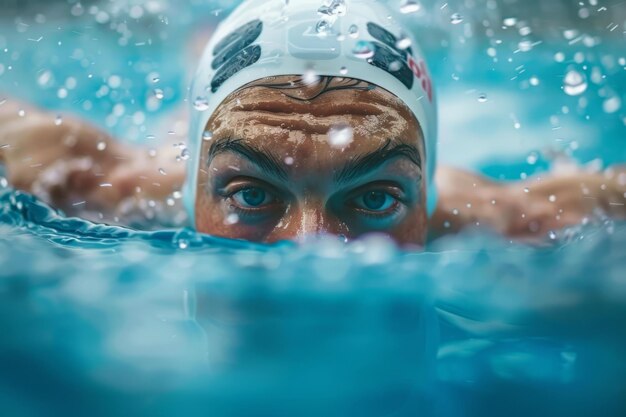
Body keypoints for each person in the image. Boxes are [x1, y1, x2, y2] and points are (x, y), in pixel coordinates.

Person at [0, 0, 624, 246]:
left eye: (376, 196)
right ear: (192, 187)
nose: (312, 248)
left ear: (426, 192)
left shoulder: (495, 215)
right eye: (251, 193)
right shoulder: (91, 182)